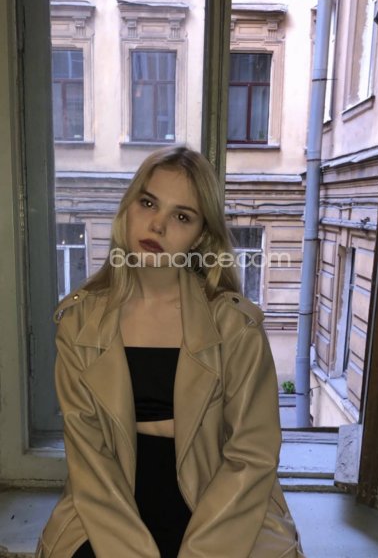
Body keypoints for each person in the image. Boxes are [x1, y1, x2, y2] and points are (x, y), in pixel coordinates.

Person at [36, 146, 305, 558]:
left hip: (221, 497)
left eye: (182, 216)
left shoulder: (235, 328)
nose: (157, 225)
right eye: (148, 203)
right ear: (128, 208)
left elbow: (252, 455)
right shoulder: (78, 323)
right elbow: (89, 457)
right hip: (109, 496)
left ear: (201, 236)